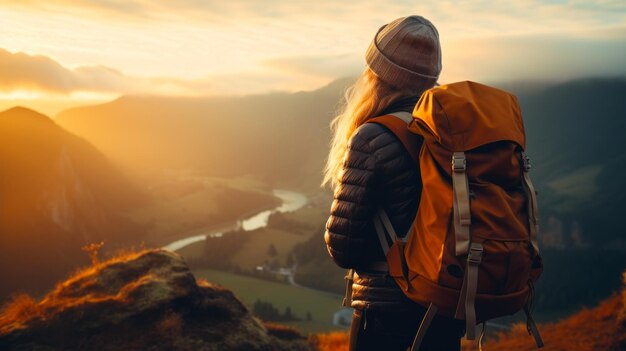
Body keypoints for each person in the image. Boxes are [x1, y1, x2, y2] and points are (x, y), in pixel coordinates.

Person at [323, 16, 465, 351]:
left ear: (377, 75)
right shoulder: (452, 132)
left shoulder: (373, 136)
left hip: (388, 315)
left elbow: (343, 248)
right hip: (445, 307)